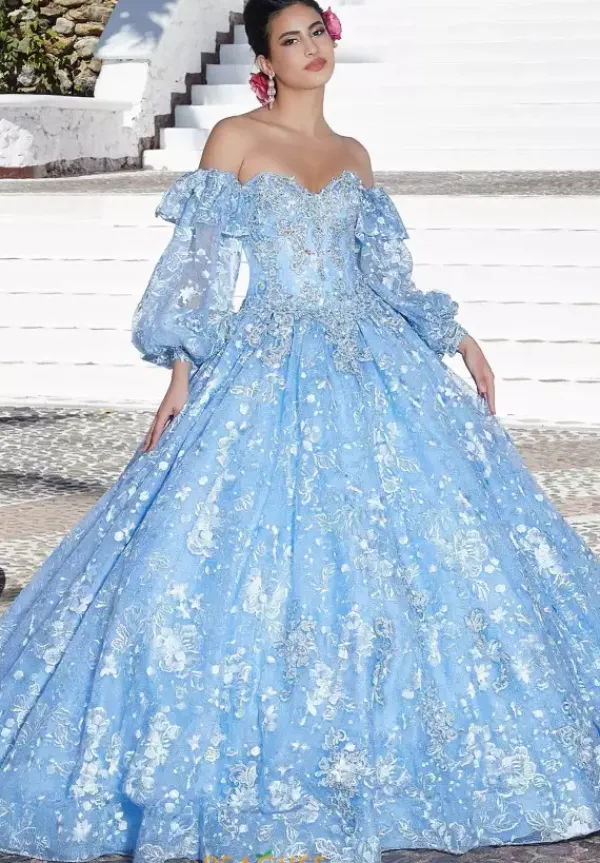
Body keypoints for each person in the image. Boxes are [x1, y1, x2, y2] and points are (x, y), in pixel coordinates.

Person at [1, 1, 600, 862]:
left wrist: (457, 335)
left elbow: (386, 276)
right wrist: (181, 369)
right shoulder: (235, 140)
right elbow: (200, 267)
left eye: (318, 32)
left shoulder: (354, 155)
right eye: (291, 39)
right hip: (265, 361)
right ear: (264, 61)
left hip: (375, 362)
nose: (312, 48)